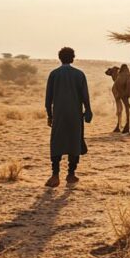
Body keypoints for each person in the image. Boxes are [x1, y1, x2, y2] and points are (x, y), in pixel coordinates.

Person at [44, 46, 92, 187]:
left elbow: (48, 99)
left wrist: (50, 115)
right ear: (72, 58)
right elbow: (85, 96)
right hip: (75, 115)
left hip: (59, 114)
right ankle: (71, 174)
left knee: (56, 143)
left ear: (60, 58)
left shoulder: (54, 74)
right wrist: (88, 111)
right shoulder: (79, 74)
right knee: (74, 142)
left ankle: (55, 175)